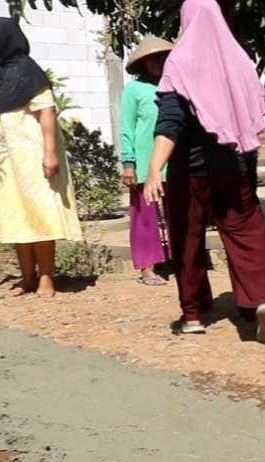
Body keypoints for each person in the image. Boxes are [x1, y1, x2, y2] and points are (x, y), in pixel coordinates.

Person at [142, 0, 265, 344]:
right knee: (246, 233)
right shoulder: (240, 60)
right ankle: (258, 301)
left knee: (187, 238)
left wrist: (155, 167)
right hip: (237, 166)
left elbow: (171, 120)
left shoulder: (180, 60)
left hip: (191, 171)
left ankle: (192, 314)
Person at [0, 17, 80, 298]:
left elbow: (47, 114)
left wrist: (49, 154)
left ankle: (46, 278)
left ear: (2, 39)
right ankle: (27, 278)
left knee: (39, 215)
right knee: (16, 217)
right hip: (2, 163)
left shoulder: (30, 73)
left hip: (31, 158)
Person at [120, 35, 174, 287]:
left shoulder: (175, 86)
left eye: (161, 57)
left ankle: (177, 259)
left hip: (174, 163)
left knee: (179, 212)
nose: (157, 63)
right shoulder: (134, 90)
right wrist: (128, 163)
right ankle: (147, 267)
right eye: (151, 59)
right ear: (142, 63)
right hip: (143, 163)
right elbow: (126, 128)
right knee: (144, 217)